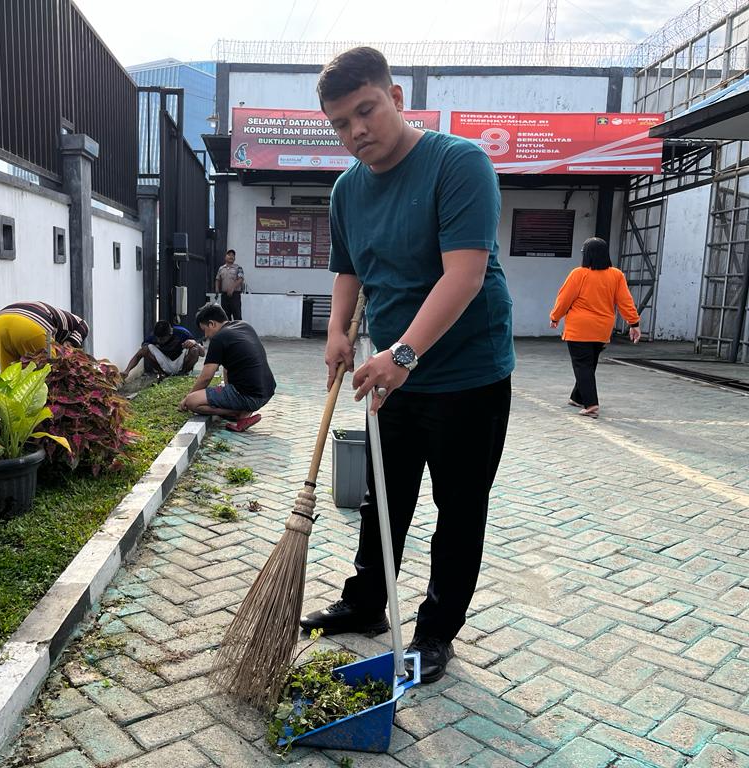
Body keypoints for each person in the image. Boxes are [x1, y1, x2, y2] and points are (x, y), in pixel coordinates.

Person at [298, 47, 515, 685]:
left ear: (395, 96)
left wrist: (404, 354)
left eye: (365, 110)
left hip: (468, 374)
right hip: (392, 371)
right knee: (382, 496)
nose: (356, 131)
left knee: (459, 505)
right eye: (341, 123)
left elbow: (466, 274)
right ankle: (367, 604)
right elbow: (350, 269)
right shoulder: (346, 190)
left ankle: (435, 631)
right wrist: (340, 331)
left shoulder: (458, 163)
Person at [549, 237, 641, 419]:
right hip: (602, 329)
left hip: (579, 328)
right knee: (589, 364)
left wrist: (555, 317)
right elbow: (625, 301)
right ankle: (577, 397)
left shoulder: (579, 274)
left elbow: (564, 299)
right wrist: (634, 323)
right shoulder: (616, 275)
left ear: (587, 255)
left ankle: (591, 404)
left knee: (582, 365)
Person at [179, 304, 275, 432]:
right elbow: (227, 368)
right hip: (267, 392)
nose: (206, 335)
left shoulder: (219, 338)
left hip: (249, 396)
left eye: (205, 330)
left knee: (193, 401)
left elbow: (206, 377)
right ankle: (243, 411)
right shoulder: (244, 326)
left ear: (212, 324)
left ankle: (239, 413)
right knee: (224, 387)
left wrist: (187, 398)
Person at [0, 301, 88, 371]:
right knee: (48, 373)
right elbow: (85, 326)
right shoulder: (77, 323)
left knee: (9, 378)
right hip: (30, 326)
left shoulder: (55, 314)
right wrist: (69, 346)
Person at [122, 320, 203, 379]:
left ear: (170, 333)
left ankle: (183, 374)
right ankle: (162, 374)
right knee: (145, 349)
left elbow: (202, 353)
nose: (159, 341)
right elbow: (139, 354)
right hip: (164, 362)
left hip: (180, 361)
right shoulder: (152, 337)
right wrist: (127, 371)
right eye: (158, 338)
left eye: (162, 339)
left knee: (194, 349)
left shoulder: (182, 333)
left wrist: (193, 342)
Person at [215, 249, 245, 321]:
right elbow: (217, 279)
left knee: (237, 316)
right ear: (225, 257)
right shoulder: (221, 268)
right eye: (229, 255)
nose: (231, 257)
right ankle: (227, 332)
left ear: (234, 258)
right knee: (225, 316)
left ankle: (238, 332)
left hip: (235, 295)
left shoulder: (238, 268)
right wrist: (216, 289)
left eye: (233, 255)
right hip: (224, 296)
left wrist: (232, 288)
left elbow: (241, 279)